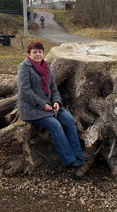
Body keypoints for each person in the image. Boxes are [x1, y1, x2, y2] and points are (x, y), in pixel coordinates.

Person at [17, 41, 88, 169]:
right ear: (29, 54)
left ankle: (78, 154)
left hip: (50, 105)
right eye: (34, 52)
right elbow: (25, 91)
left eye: (40, 51)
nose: (38, 54)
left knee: (69, 120)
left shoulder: (46, 67)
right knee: (56, 125)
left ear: (43, 53)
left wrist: (56, 102)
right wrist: (43, 105)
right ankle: (69, 160)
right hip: (32, 108)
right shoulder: (24, 67)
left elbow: (53, 88)